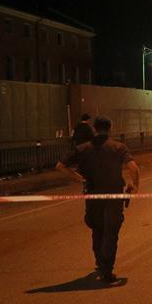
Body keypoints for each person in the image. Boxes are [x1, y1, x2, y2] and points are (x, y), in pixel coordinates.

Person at [57, 115, 139, 283]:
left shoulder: (82, 149)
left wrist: (78, 178)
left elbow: (60, 166)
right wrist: (133, 186)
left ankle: (100, 264)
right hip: (113, 196)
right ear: (110, 128)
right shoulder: (118, 147)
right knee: (111, 233)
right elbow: (133, 168)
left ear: (94, 129)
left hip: (93, 195)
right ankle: (107, 270)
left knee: (97, 231)